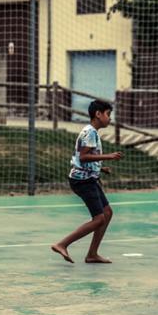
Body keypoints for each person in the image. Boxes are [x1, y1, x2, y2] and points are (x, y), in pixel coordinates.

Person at [51, 99, 123, 264]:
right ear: (98, 114)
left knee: (107, 213)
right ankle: (62, 244)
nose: (110, 118)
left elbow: (84, 157)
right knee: (99, 219)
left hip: (88, 178)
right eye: (108, 114)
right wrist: (108, 156)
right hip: (82, 181)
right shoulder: (90, 132)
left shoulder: (92, 131)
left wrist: (100, 168)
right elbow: (83, 157)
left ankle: (92, 254)